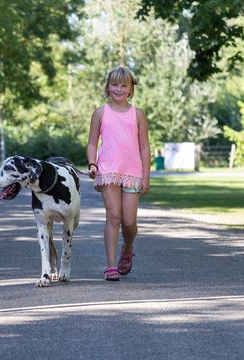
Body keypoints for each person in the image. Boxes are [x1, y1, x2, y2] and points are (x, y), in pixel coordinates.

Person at [86, 65, 151, 281]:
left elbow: (144, 147)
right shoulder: (100, 113)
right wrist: (92, 163)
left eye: (124, 85)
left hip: (133, 172)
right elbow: (92, 143)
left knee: (129, 222)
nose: (119, 89)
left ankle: (128, 248)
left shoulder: (138, 114)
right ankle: (111, 265)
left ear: (131, 89)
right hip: (108, 171)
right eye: (114, 84)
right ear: (107, 87)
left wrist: (146, 177)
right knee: (113, 216)